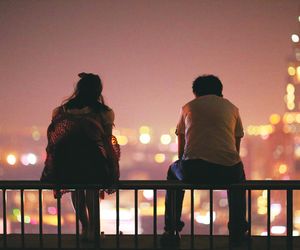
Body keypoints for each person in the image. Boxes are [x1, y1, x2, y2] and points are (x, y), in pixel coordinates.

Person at [161, 75, 247, 246]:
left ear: (196, 92)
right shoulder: (232, 108)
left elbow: (181, 148)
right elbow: (235, 149)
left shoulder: (188, 107)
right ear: (220, 91)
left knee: (173, 171)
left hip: (194, 171)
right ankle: (238, 231)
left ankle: (171, 229)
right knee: (239, 178)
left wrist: (186, 163)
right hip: (227, 172)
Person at [41, 72, 120, 241]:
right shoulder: (104, 113)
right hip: (93, 161)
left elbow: (54, 139)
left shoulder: (61, 111)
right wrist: (113, 164)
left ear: (78, 89)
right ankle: (94, 231)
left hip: (67, 162)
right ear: (98, 91)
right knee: (92, 190)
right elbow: (106, 141)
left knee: (76, 190)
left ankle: (84, 228)